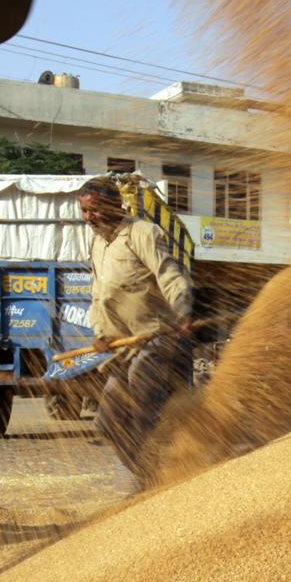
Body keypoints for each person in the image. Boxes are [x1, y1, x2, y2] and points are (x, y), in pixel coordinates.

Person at [78, 177, 196, 473]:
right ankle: (148, 478)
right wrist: (100, 333)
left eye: (94, 210)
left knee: (143, 401)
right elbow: (98, 294)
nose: (89, 218)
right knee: (108, 420)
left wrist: (182, 310)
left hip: (157, 340)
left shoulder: (142, 233)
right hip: (124, 348)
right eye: (84, 211)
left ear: (115, 204)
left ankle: (167, 471)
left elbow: (169, 275)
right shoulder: (97, 244)